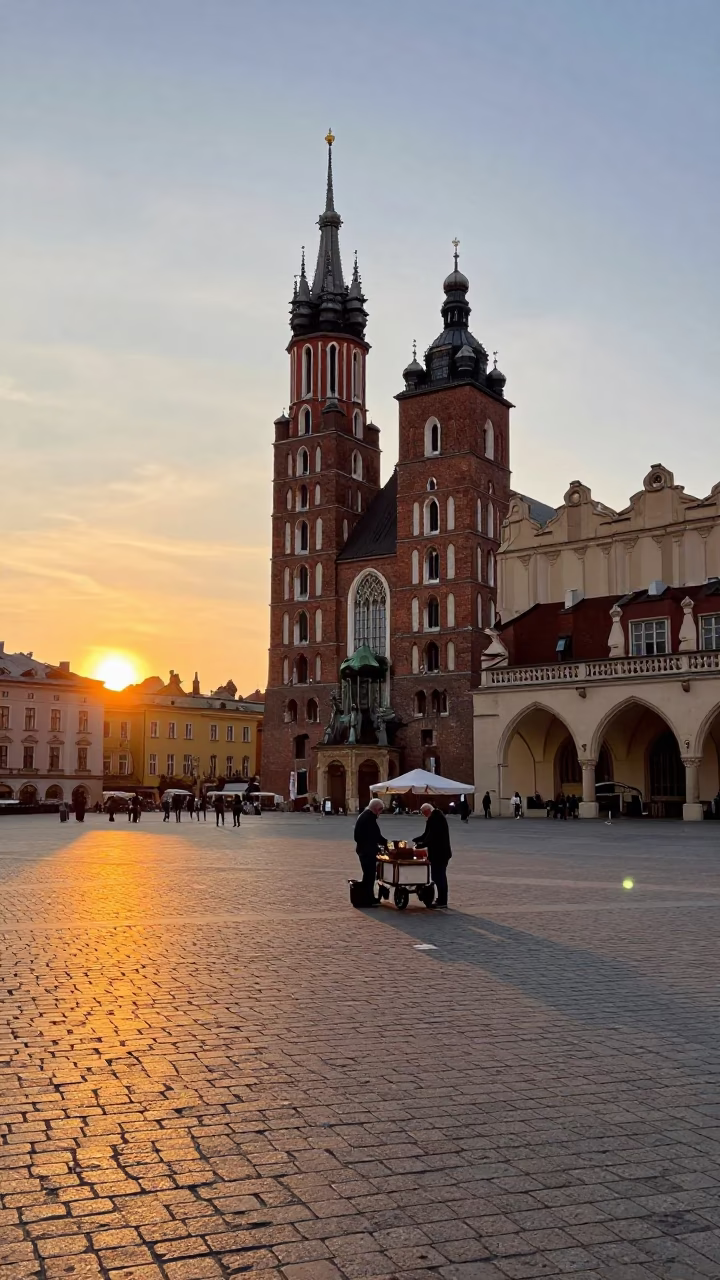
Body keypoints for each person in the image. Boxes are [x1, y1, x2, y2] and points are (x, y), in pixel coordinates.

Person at [413, 802, 452, 908]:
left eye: (423, 813)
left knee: (439, 876)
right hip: (440, 853)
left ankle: (442, 901)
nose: (424, 815)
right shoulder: (434, 818)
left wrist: (422, 844)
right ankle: (441, 899)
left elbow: (432, 837)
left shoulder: (435, 819)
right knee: (438, 876)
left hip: (440, 854)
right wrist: (418, 840)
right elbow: (427, 834)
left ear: (427, 811)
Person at [353, 798, 388, 906]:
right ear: (376, 809)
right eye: (380, 810)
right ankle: (368, 899)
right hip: (366, 852)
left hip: (364, 851)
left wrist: (383, 842)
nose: (380, 813)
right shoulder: (369, 818)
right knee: (369, 876)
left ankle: (367, 898)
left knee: (368, 876)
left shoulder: (366, 815)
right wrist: (384, 843)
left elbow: (374, 835)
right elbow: (374, 836)